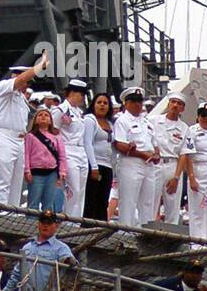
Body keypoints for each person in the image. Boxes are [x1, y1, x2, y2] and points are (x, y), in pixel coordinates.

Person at [0, 55, 50, 207]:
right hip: (5, 136)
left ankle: (12, 212)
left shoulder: (22, 98)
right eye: (26, 80)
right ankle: (0, 212)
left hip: (19, 140)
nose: (26, 84)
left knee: (16, 182)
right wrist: (38, 67)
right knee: (3, 179)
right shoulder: (3, 87)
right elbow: (21, 80)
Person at [173, 102, 207, 242]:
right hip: (200, 170)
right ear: (198, 116)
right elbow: (188, 155)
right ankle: (197, 241)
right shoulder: (192, 131)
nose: (206, 118)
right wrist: (192, 177)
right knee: (198, 208)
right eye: (203, 115)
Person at [112, 85, 161, 227]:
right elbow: (119, 144)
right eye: (133, 101)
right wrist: (141, 154)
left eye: (139, 101)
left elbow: (155, 144)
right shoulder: (122, 120)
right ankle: (125, 234)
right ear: (126, 103)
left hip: (149, 164)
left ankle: (145, 235)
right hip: (131, 163)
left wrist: (156, 154)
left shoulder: (147, 122)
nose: (137, 104)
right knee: (128, 202)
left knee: (147, 203)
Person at [52, 80, 97, 219]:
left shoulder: (79, 112)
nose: (83, 97)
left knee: (81, 191)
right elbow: (53, 133)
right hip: (67, 150)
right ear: (71, 93)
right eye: (81, 94)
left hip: (81, 151)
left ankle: (76, 221)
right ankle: (68, 221)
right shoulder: (60, 110)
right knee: (73, 189)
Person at [151, 95, 189, 225]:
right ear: (168, 104)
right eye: (173, 102)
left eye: (179, 103)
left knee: (172, 205)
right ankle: (146, 234)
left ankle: (170, 241)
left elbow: (184, 154)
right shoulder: (153, 121)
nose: (175, 105)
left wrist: (177, 177)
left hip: (172, 166)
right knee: (150, 202)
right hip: (154, 164)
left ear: (182, 108)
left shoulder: (184, 128)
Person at [23, 106, 67, 212]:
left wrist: (62, 171)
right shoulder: (30, 136)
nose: (43, 117)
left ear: (51, 121)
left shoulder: (56, 137)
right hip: (36, 173)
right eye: (40, 115)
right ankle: (31, 225)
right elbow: (26, 154)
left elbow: (61, 156)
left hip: (52, 173)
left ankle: (47, 224)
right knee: (33, 202)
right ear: (35, 120)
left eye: (46, 115)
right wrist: (27, 170)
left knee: (49, 203)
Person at [83, 92, 115, 221]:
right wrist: (94, 166)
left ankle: (100, 228)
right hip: (95, 165)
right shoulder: (90, 120)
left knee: (103, 200)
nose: (102, 105)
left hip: (107, 166)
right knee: (91, 198)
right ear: (93, 105)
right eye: (99, 102)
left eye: (105, 103)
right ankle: (87, 228)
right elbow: (87, 142)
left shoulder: (110, 124)